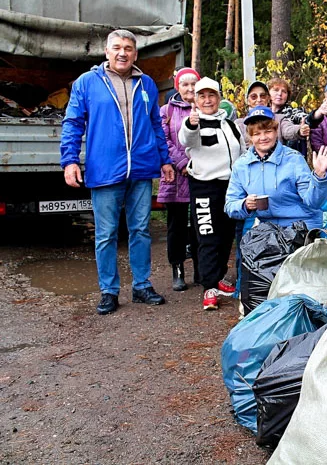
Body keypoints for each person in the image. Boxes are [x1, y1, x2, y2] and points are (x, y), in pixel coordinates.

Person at [60, 29, 174, 315]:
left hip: (141, 169)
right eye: (117, 48)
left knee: (140, 230)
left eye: (128, 48)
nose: (122, 53)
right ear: (107, 52)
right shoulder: (87, 83)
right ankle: (109, 291)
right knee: (106, 233)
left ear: (135, 54)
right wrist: (70, 160)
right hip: (105, 168)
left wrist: (165, 159)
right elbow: (73, 123)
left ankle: (142, 286)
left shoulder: (146, 84)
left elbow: (156, 126)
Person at [179, 77, 246, 311]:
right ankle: (208, 287)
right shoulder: (193, 124)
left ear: (219, 98)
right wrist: (190, 123)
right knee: (207, 236)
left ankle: (218, 278)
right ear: (196, 100)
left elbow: (243, 152)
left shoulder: (231, 124)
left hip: (231, 188)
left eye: (212, 95)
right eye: (202, 96)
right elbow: (185, 139)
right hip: (204, 187)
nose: (207, 100)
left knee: (226, 236)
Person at [224, 106, 327, 230]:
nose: (263, 137)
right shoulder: (241, 165)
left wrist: (319, 177)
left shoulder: (294, 159)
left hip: (302, 225)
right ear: (250, 137)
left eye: (268, 131)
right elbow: (230, 205)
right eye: (257, 134)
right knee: (248, 245)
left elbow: (314, 203)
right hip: (268, 228)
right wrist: (244, 205)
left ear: (276, 131)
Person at [157, 67, 200, 291]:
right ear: (178, 86)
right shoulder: (166, 110)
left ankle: (201, 270)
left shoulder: (205, 106)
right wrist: (183, 163)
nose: (190, 88)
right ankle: (178, 270)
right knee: (176, 227)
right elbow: (163, 139)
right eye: (185, 84)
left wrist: (195, 164)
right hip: (175, 176)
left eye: (194, 84)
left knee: (200, 225)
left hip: (200, 174)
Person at [266, 77, 311, 154]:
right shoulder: (263, 113)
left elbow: (307, 118)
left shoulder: (292, 112)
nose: (279, 94)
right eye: (276, 90)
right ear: (268, 93)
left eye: (284, 91)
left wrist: (302, 128)